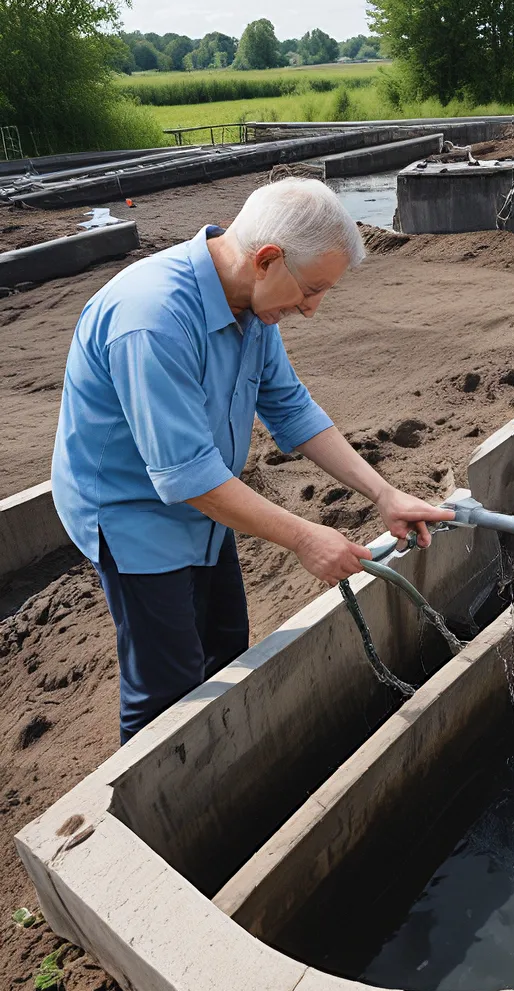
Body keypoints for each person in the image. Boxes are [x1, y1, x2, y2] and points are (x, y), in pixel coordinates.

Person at [51, 178, 454, 744]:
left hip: (208, 502)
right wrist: (307, 538)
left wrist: (384, 493)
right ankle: (144, 810)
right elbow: (187, 475)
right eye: (311, 290)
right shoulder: (153, 318)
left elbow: (290, 408)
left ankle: (214, 758)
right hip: (132, 512)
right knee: (165, 683)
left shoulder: (249, 305)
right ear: (267, 259)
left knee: (225, 641)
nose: (311, 310)